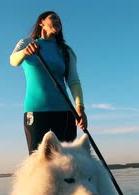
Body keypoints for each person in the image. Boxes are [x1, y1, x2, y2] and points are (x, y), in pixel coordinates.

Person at [10, 11, 88, 154]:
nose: (58, 21)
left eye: (59, 19)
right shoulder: (26, 43)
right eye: (53, 17)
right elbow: (13, 61)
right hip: (35, 111)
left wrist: (80, 108)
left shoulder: (65, 51)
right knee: (38, 160)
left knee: (68, 159)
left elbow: (74, 81)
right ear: (41, 22)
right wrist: (25, 52)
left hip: (64, 112)